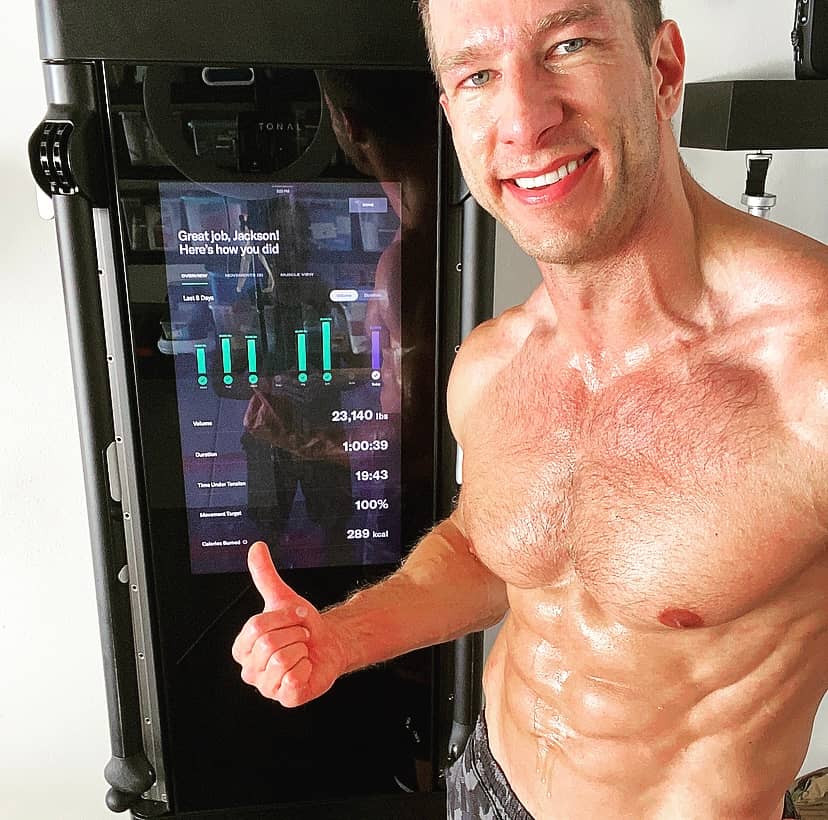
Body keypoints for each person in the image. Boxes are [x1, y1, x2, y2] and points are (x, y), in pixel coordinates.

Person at [232, 1, 828, 817]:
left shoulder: (806, 370)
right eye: (477, 75)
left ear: (662, 71)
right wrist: (340, 638)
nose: (522, 119)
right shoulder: (493, 363)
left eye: (569, 45)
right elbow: (485, 547)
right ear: (451, 114)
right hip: (487, 785)